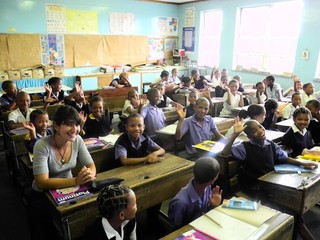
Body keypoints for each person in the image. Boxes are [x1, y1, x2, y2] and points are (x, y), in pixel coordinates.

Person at [30, 105, 96, 240]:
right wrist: (76, 181)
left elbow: (91, 165)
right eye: (68, 124)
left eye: (77, 124)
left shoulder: (77, 140)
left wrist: (90, 174)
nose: (75, 129)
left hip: (69, 190)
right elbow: (41, 182)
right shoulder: (42, 145)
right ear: (56, 126)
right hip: (43, 195)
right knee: (47, 233)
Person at [221, 118, 317, 198]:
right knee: (286, 196)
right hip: (254, 184)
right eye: (254, 131)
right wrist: (235, 135)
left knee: (295, 190)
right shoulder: (244, 147)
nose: (260, 131)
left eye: (260, 127)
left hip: (269, 180)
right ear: (249, 137)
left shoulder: (270, 144)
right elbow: (225, 153)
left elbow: (284, 158)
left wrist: (303, 164)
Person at [168, 157, 222, 229]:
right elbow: (175, 228)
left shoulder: (207, 188)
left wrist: (213, 205)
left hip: (201, 226)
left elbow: (204, 213)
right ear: (213, 180)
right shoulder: (180, 203)